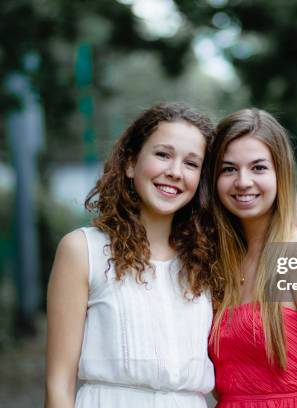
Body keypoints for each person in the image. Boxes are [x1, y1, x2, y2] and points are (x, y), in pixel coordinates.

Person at [44, 102, 216, 408]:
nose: (175, 172)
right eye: (163, 154)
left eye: (191, 163)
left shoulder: (208, 260)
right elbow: (59, 384)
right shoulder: (83, 250)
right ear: (130, 163)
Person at [207, 108, 297, 407]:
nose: (243, 181)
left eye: (258, 168)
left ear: (281, 173)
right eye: (228, 169)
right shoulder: (215, 261)